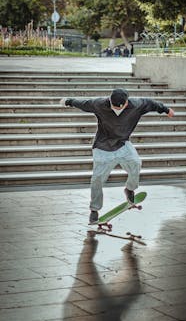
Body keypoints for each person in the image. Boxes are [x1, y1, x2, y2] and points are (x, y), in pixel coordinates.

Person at [60, 89, 175, 223]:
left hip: (123, 144)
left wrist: (166, 110)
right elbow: (83, 103)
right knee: (97, 179)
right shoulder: (99, 104)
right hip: (103, 147)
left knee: (136, 163)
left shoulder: (137, 104)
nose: (117, 110)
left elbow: (152, 103)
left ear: (126, 103)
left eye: (121, 107)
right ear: (110, 100)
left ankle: (130, 189)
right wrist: (68, 101)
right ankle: (94, 210)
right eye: (114, 107)